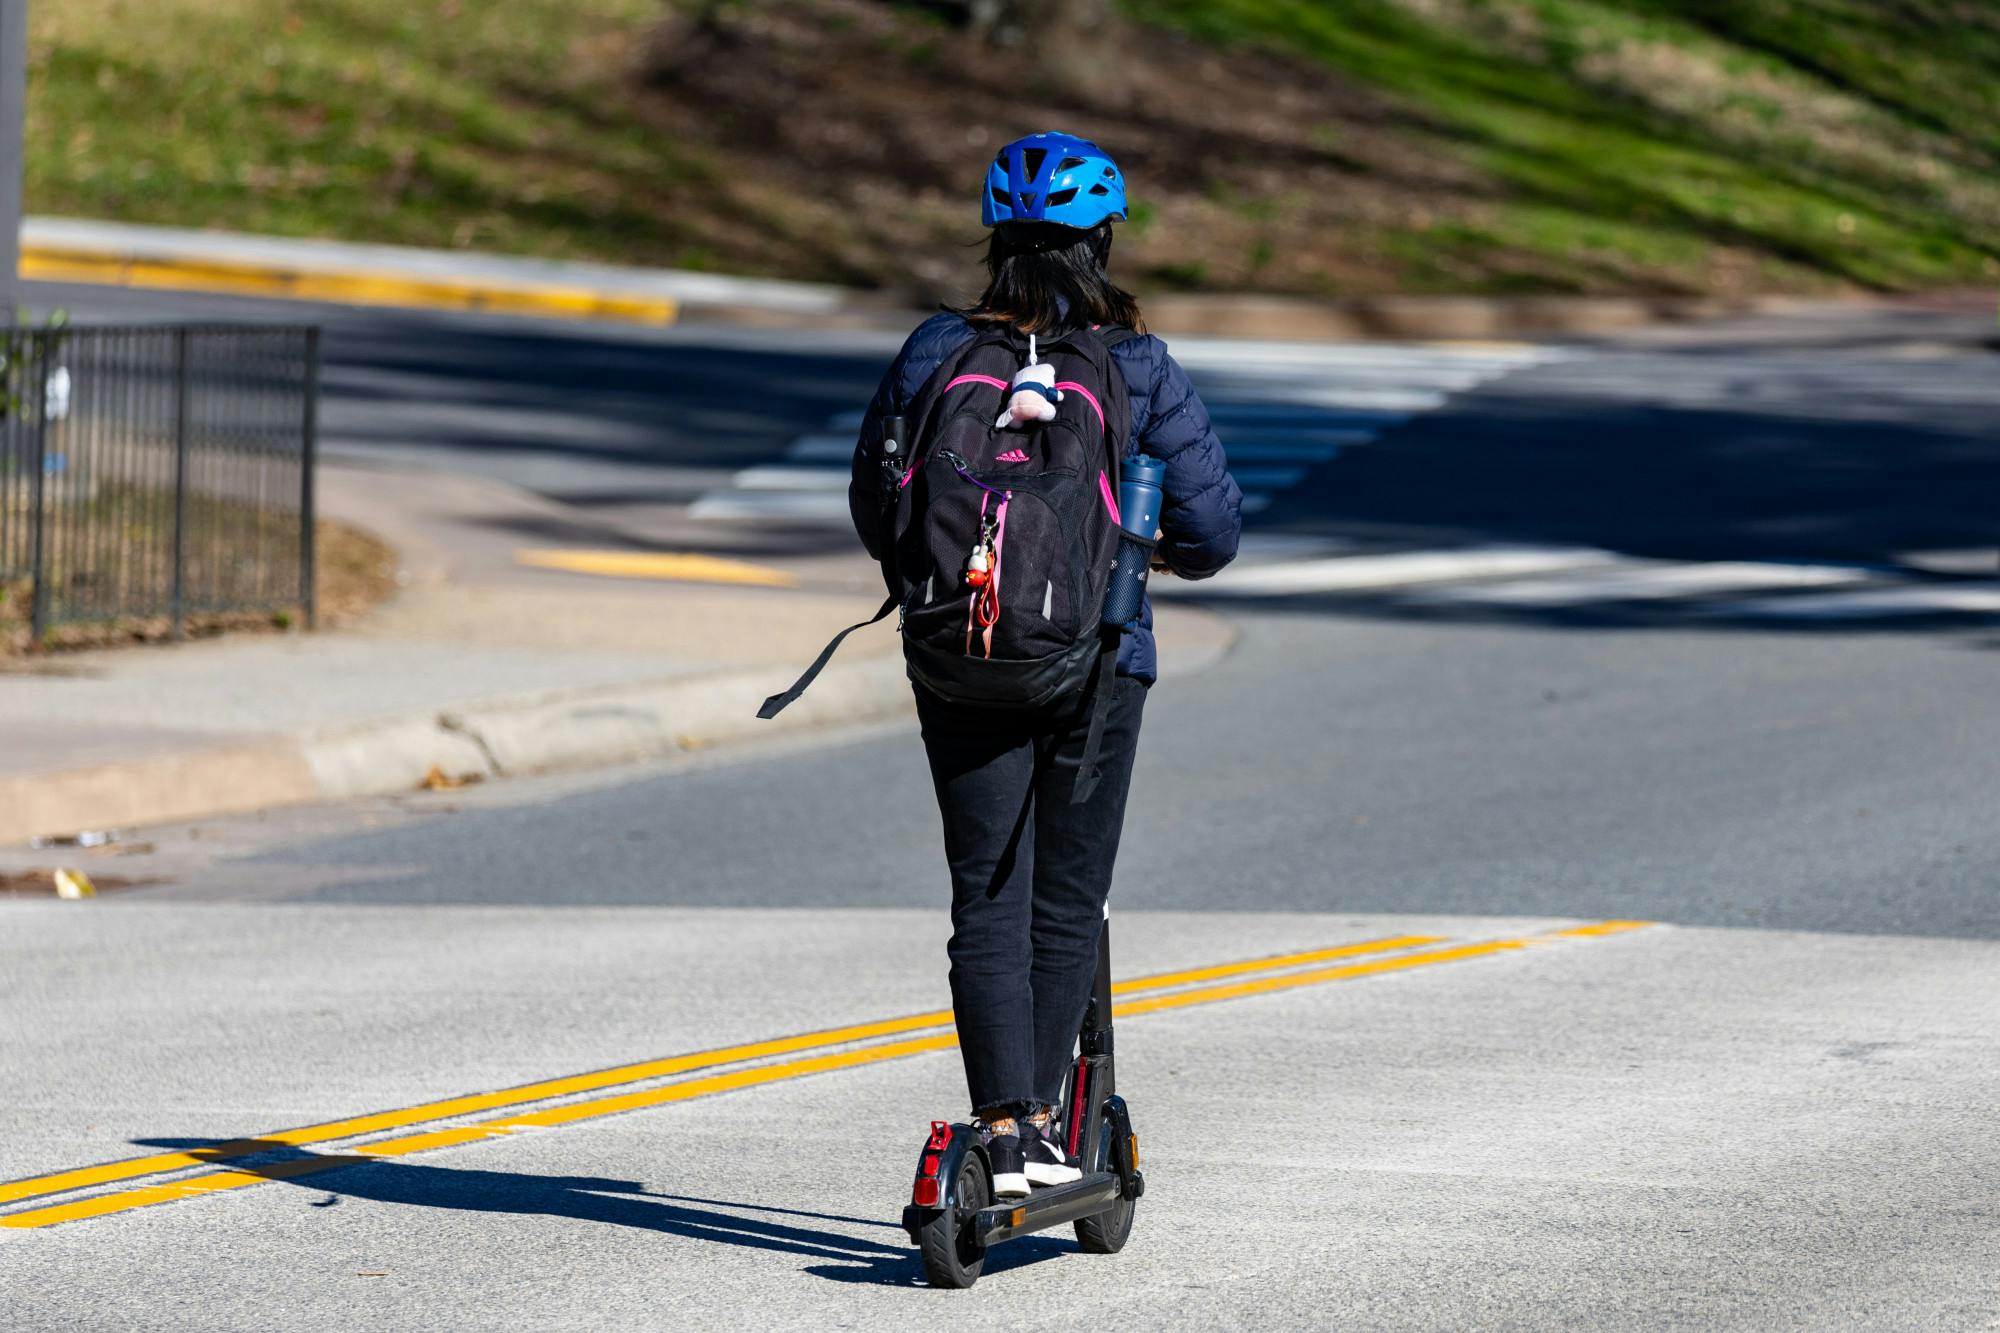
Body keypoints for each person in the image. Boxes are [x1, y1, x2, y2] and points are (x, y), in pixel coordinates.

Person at [849, 132, 1241, 1198]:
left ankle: (1004, 1128)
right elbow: (1209, 534)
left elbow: (877, 509)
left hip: (956, 649)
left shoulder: (935, 352)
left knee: (985, 891)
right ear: (1100, 243)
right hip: (1099, 657)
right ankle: (1053, 1141)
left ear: (996, 243)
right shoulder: (1137, 366)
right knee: (1065, 898)